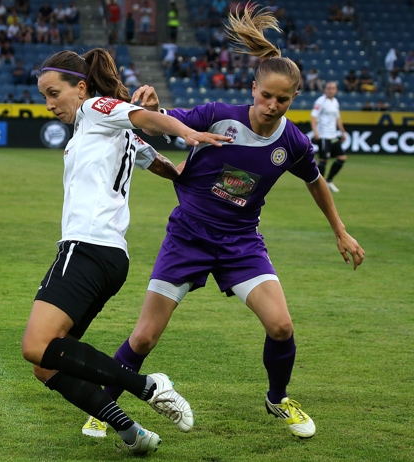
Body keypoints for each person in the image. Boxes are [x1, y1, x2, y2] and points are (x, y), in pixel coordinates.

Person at [83, 6, 364, 441]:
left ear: (294, 100)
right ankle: (104, 405)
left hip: (240, 244)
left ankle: (277, 399)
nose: (271, 105)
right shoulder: (217, 114)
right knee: (143, 338)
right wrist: (156, 108)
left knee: (282, 326)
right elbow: (166, 125)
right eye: (266, 95)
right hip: (188, 237)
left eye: (282, 99)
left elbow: (316, 181)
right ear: (253, 88)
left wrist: (340, 230)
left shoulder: (292, 141)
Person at [22, 47, 231, 455]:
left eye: (53, 93)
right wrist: (180, 169)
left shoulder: (96, 110)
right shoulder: (107, 130)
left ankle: (148, 386)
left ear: (80, 88)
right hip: (107, 256)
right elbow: (155, 160)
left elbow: (144, 118)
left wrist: (183, 132)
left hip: (87, 247)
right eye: (43, 96)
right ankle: (131, 432)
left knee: (36, 344)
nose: (49, 104)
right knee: (45, 366)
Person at [311, 81, 347, 193]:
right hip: (324, 135)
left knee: (342, 158)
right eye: (328, 88)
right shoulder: (321, 101)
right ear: (324, 89)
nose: (330, 90)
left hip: (333, 135)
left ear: (336, 90)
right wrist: (315, 132)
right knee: (323, 160)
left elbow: (338, 118)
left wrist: (342, 131)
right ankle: (317, 184)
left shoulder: (335, 101)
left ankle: (329, 180)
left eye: (332, 88)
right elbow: (313, 117)